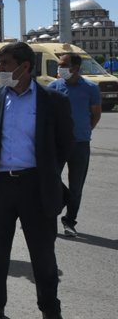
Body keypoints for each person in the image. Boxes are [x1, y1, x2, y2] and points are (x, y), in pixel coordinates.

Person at [0, 42, 73, 319]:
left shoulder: (53, 101)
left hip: (36, 187)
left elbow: (64, 144)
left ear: (25, 66)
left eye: (4, 64)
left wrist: (46, 173)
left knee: (43, 256)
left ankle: (50, 310)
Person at [48, 53, 101, 237]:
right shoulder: (54, 86)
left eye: (64, 65)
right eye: (59, 65)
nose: (60, 69)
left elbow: (96, 114)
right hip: (57, 144)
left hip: (80, 144)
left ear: (76, 68)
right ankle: (48, 215)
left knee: (76, 185)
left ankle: (69, 221)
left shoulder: (90, 88)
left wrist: (85, 130)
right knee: (50, 180)